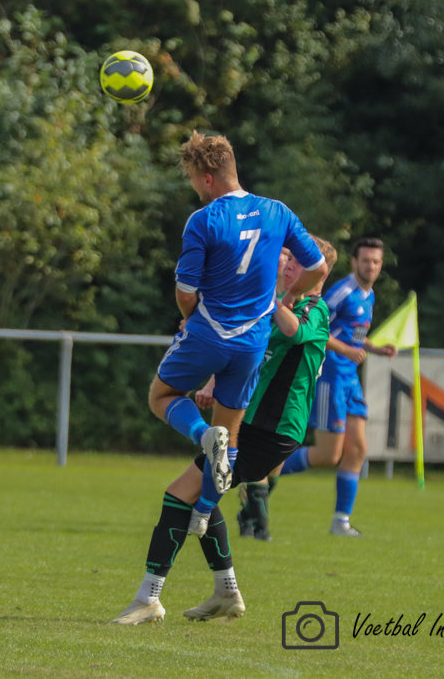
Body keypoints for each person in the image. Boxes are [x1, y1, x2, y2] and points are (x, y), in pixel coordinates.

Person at [113, 236, 336, 625]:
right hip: (247, 425)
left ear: (320, 273)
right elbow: (240, 348)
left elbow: (292, 331)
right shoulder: (275, 306)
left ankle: (150, 598)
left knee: (181, 494)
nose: (288, 265)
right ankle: (225, 592)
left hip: (272, 432)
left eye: (298, 262)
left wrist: (266, 296)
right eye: (287, 260)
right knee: (195, 494)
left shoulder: (315, 310)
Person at [148, 130, 326, 538]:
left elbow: (186, 292)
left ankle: (201, 434)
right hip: (252, 343)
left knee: (161, 397)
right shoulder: (278, 211)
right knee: (230, 440)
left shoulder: (204, 219)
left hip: (209, 333)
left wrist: (190, 318)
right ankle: (203, 512)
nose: (193, 187)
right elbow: (318, 268)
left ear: (208, 178)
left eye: (193, 179)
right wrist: (287, 297)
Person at [277, 237, 397, 536]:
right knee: (328, 455)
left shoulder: (368, 295)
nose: (371, 266)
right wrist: (345, 351)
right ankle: (264, 472)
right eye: (365, 260)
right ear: (354, 262)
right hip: (330, 375)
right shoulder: (343, 292)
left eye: (376, 261)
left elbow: (352, 334)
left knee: (357, 449)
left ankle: (341, 522)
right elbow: (316, 327)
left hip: (350, 379)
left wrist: (375, 348)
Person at [196, 247, 291, 541]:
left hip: (281, 393)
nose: (286, 260)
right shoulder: (255, 293)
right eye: (282, 253)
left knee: (273, 463)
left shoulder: (299, 300)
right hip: (250, 386)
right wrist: (212, 384)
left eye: (290, 256)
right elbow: (233, 345)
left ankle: (245, 513)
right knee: (243, 454)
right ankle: (255, 524)